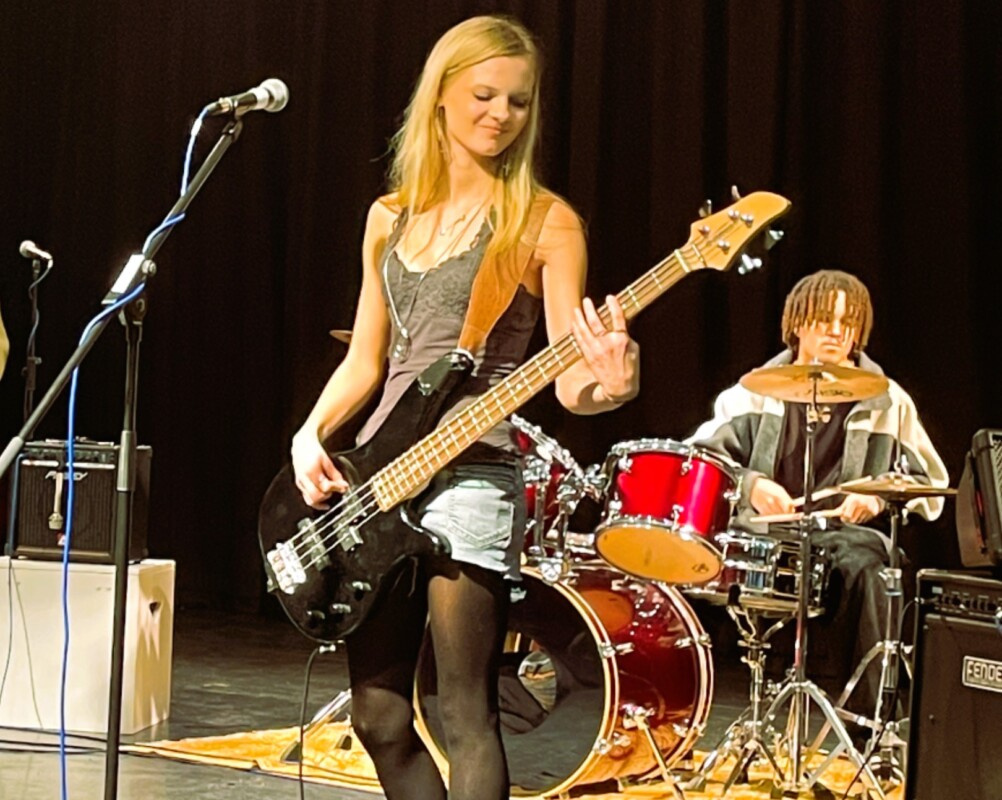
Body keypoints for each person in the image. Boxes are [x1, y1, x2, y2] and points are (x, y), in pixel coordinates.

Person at [289, 16, 639, 800]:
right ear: (440, 96)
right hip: (379, 471)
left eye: (518, 101)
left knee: (462, 708)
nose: (501, 115)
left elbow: (573, 380)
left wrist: (613, 381)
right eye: (484, 95)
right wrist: (311, 433)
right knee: (379, 715)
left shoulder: (546, 222)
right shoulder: (390, 218)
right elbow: (367, 360)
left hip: (476, 474)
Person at [688, 269, 948, 730]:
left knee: (878, 562)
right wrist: (751, 484)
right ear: (797, 324)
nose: (835, 331)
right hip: (765, 534)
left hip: (843, 537)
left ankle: (871, 722)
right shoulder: (753, 391)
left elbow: (926, 483)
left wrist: (877, 499)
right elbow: (701, 465)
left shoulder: (889, 401)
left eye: (848, 323)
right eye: (825, 318)